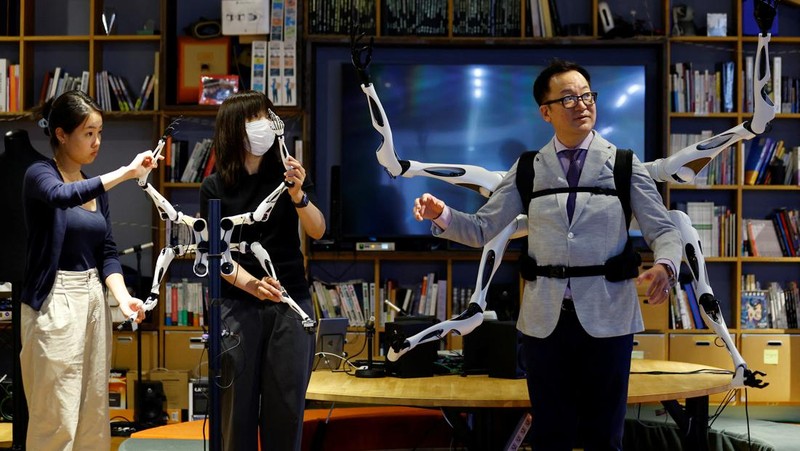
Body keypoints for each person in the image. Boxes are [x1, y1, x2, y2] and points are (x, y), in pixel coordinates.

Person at [413, 59, 682, 450]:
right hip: (544, 324)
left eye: (587, 96)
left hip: (609, 318)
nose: (582, 104)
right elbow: (482, 229)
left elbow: (664, 230)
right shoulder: (527, 168)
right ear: (546, 112)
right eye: (569, 98)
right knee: (551, 436)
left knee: (604, 437)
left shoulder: (624, 164)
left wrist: (665, 266)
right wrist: (442, 215)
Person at [20, 89, 158, 451]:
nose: (97, 142)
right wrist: (127, 172)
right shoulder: (39, 174)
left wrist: (124, 299)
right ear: (62, 135)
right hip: (55, 300)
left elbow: (107, 252)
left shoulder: (98, 189)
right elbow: (63, 196)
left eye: (100, 133)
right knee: (56, 416)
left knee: (93, 414)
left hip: (94, 298)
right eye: (88, 133)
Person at [199, 90, 326, 451]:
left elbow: (318, 229)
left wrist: (299, 195)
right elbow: (217, 254)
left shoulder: (287, 175)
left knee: (286, 409)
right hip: (237, 304)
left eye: (267, 116)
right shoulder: (214, 186)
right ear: (233, 129)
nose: (264, 125)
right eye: (254, 118)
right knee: (235, 411)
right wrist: (254, 285)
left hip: (290, 301)